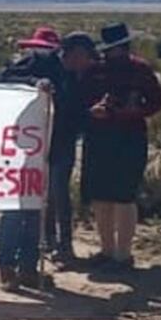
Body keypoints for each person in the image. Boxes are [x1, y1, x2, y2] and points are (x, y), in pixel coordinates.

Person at [81, 22, 161, 269]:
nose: (115, 53)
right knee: (100, 197)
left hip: (129, 138)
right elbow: (82, 101)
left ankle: (123, 254)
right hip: (99, 139)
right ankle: (106, 250)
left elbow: (156, 101)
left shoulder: (140, 70)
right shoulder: (94, 71)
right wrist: (92, 111)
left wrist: (134, 110)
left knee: (125, 196)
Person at [0, 27, 66, 289]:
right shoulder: (18, 69)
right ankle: (6, 266)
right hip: (19, 151)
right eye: (40, 49)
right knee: (14, 209)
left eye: (49, 50)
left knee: (36, 212)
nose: (44, 54)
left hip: (48, 150)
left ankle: (28, 267)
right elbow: (6, 82)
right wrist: (33, 84)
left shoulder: (63, 73)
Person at [45, 32, 97, 263]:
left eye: (84, 57)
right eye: (77, 56)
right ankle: (47, 240)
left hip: (64, 143)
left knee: (59, 193)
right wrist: (37, 84)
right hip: (40, 141)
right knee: (43, 194)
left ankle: (64, 244)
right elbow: (11, 75)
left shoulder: (87, 78)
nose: (81, 61)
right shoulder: (47, 66)